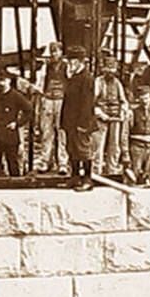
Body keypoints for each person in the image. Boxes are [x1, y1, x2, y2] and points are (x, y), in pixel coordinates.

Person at [61, 48, 96, 190]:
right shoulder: (73, 77)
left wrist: (84, 124)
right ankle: (75, 177)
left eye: (71, 61)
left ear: (78, 61)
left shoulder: (86, 78)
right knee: (72, 149)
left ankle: (87, 179)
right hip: (70, 121)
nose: (69, 63)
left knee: (83, 150)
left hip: (81, 122)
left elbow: (87, 103)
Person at [0, 72, 30, 178]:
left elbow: (29, 111)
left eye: (4, 81)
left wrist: (17, 123)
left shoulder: (16, 96)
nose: (1, 83)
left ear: (9, 81)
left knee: (12, 164)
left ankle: (15, 188)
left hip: (9, 135)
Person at [93, 54, 129, 177]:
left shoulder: (118, 83)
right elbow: (92, 102)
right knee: (98, 145)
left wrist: (123, 112)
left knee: (115, 146)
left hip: (115, 117)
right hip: (101, 117)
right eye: (108, 68)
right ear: (103, 69)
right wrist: (100, 114)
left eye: (112, 68)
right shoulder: (98, 82)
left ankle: (112, 170)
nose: (110, 71)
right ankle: (96, 171)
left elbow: (124, 101)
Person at [36, 42, 67, 174]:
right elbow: (41, 82)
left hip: (61, 99)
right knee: (47, 132)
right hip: (49, 99)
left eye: (57, 51)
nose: (54, 54)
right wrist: (42, 97)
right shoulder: (46, 66)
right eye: (52, 51)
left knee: (62, 133)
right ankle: (45, 161)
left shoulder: (66, 66)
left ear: (61, 52)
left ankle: (63, 163)